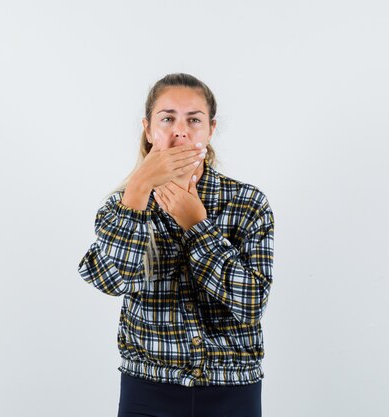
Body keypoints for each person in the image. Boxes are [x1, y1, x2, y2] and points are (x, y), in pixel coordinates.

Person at [77, 73, 275, 417]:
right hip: (147, 388)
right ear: (148, 128)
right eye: (167, 118)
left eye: (193, 120)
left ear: (210, 129)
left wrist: (197, 225)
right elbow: (109, 280)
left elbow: (252, 302)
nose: (180, 130)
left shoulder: (248, 203)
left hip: (233, 388)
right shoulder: (120, 206)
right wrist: (138, 188)